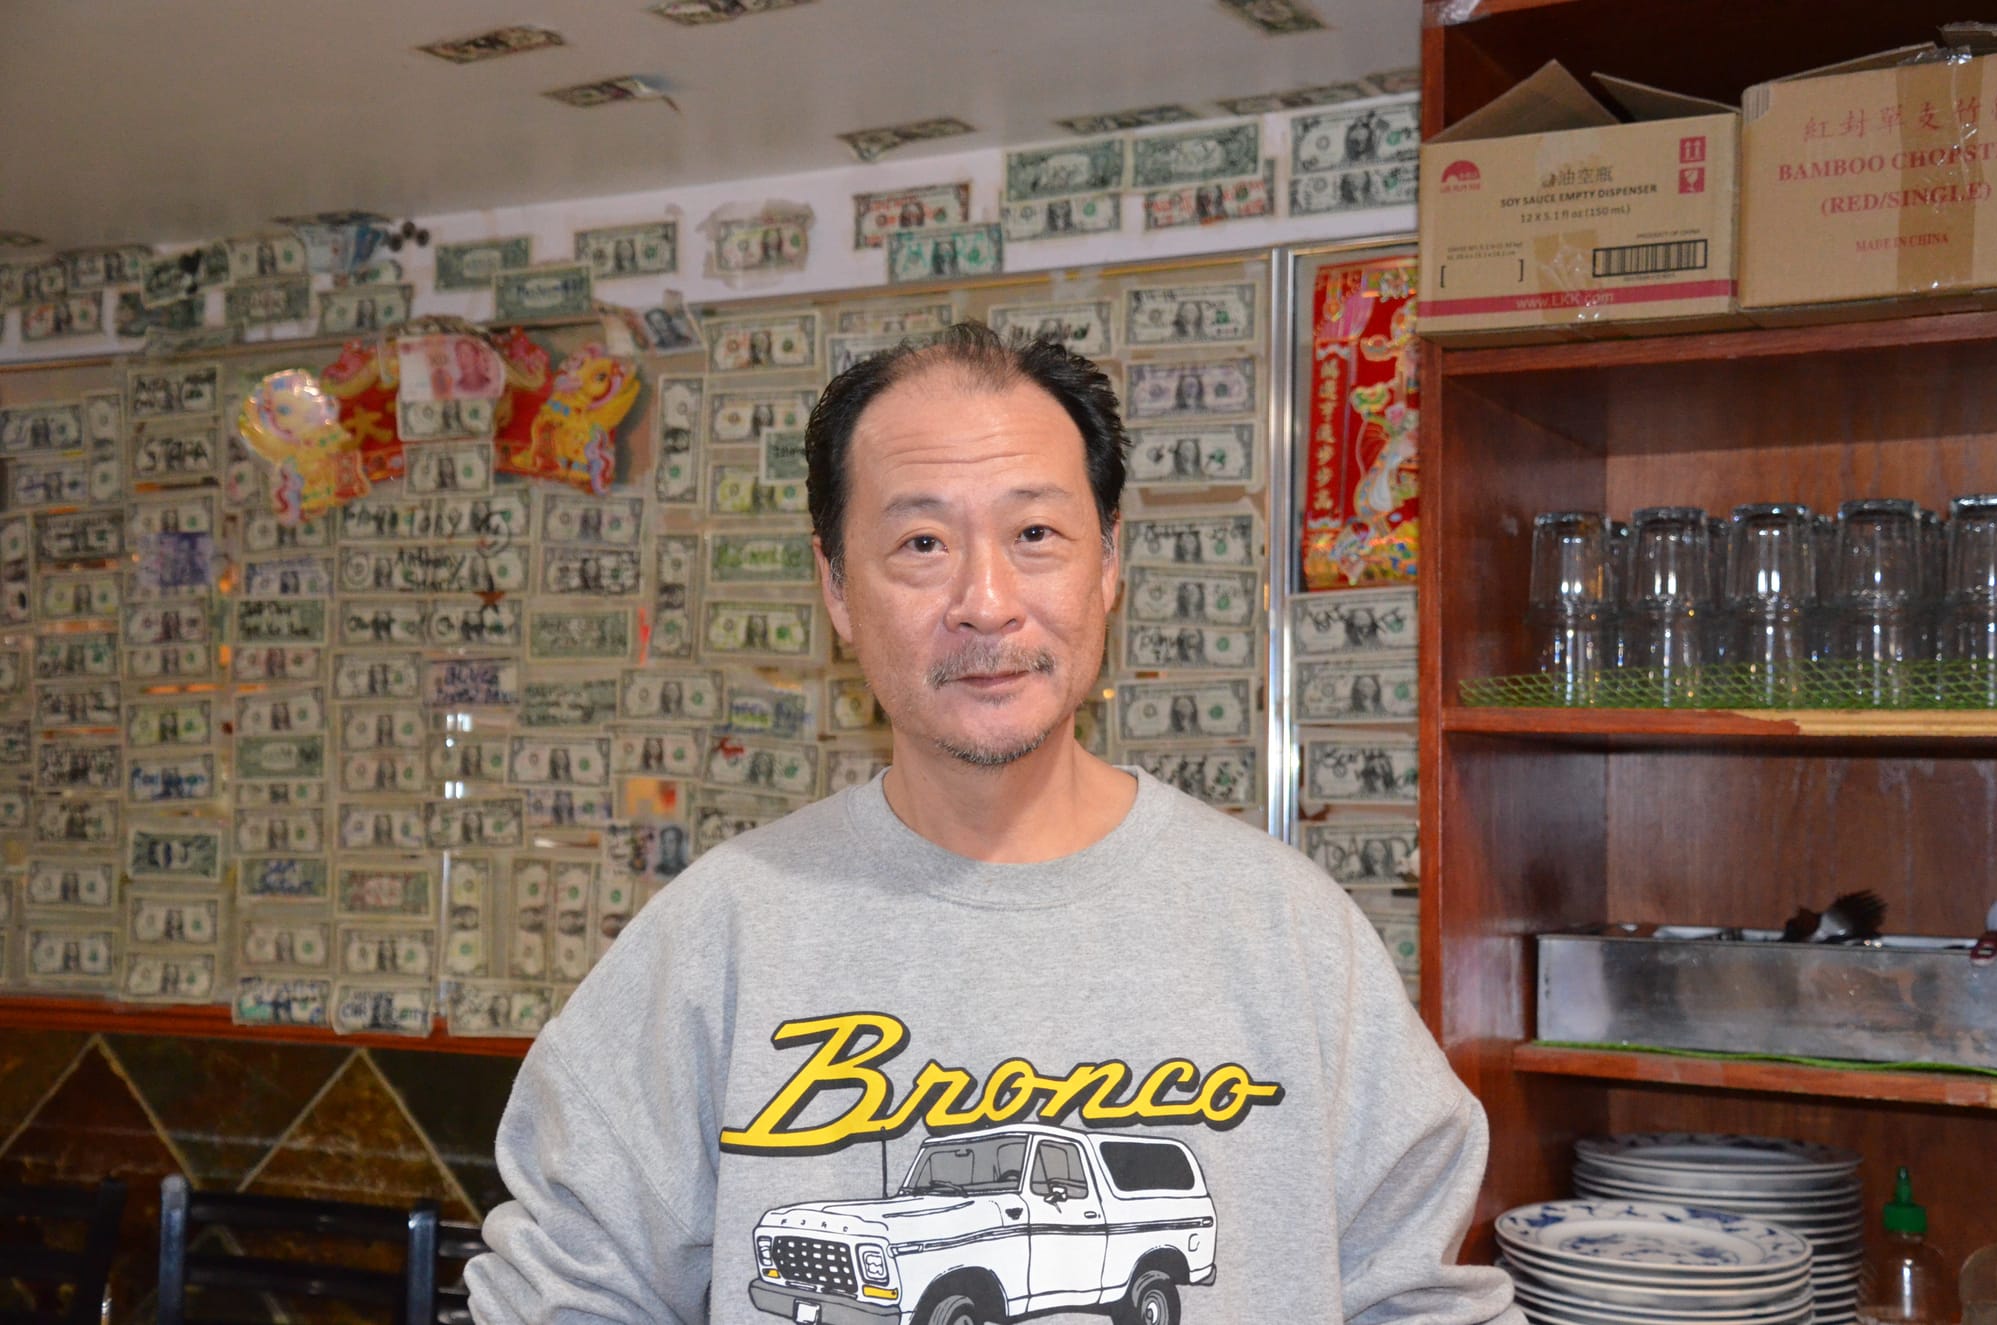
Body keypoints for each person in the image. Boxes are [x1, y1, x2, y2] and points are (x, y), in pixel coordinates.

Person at [467, 324, 1518, 1325]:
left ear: (1106, 564)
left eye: (1034, 533)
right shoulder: (718, 937)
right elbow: (561, 1292)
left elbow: (1418, 1295)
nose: (985, 600)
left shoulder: (1289, 930)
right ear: (835, 586)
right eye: (921, 541)